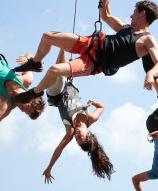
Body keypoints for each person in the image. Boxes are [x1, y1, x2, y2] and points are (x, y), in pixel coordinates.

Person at [13, 0, 158, 104]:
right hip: (91, 42)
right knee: (48, 36)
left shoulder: (147, 40)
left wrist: (150, 74)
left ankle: (34, 92)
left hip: (93, 62)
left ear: (142, 13)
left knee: (54, 70)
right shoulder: (126, 27)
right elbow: (105, 15)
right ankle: (36, 62)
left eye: (134, 11)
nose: (131, 15)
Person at [39, 49, 114, 183]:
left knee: (60, 75)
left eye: (77, 138)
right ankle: (63, 46)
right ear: (89, 133)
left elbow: (58, 150)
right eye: (81, 136)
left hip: (55, 94)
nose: (77, 134)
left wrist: (49, 168)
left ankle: (61, 46)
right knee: (69, 70)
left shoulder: (70, 131)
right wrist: (94, 102)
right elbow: (102, 107)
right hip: (69, 84)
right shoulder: (90, 118)